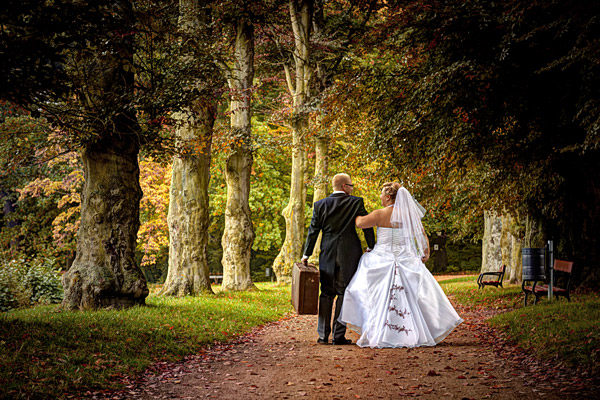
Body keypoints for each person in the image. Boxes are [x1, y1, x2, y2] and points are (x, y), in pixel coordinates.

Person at [338, 182, 463, 348]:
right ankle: (414, 332)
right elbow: (422, 234)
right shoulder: (410, 215)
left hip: (382, 256)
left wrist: (353, 211)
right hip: (405, 256)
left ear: (388, 197)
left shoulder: (379, 214)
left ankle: (380, 330)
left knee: (371, 292)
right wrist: (426, 251)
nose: (380, 197)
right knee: (414, 295)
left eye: (382, 194)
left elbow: (360, 223)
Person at [302, 173, 376, 345]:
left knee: (326, 293)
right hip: (349, 252)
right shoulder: (356, 202)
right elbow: (366, 226)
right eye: (350, 185)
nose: (352, 188)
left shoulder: (320, 205)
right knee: (344, 292)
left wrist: (306, 254)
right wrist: (371, 246)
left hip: (327, 251)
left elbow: (313, 231)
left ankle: (322, 335)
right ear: (344, 186)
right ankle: (338, 335)